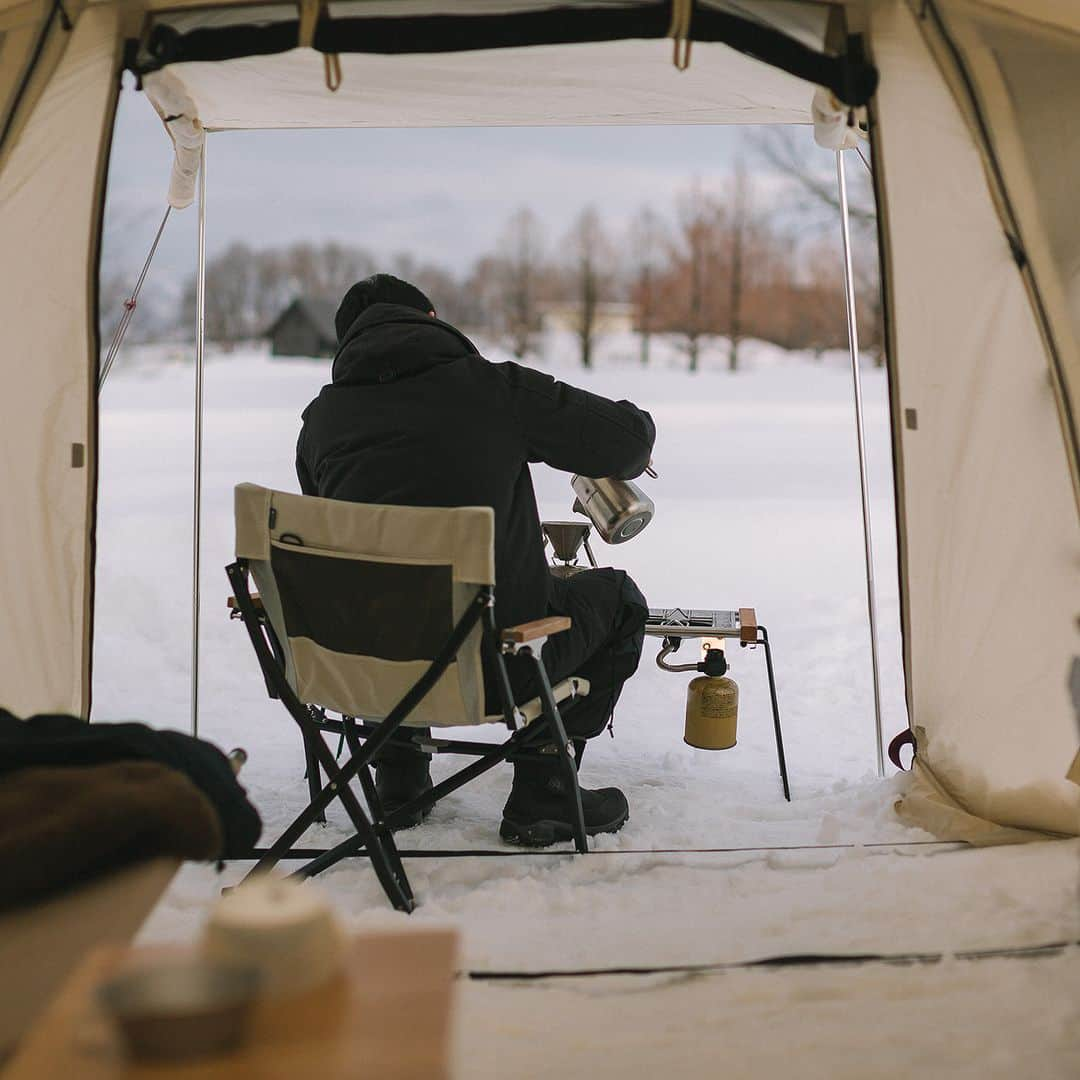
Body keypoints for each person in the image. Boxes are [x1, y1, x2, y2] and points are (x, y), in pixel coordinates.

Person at [296, 274, 654, 846]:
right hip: (499, 667)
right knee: (617, 599)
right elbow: (628, 445)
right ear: (433, 318)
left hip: (366, 668)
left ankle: (399, 779)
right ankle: (545, 786)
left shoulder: (320, 424)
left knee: (383, 595)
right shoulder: (491, 390)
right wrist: (633, 416)